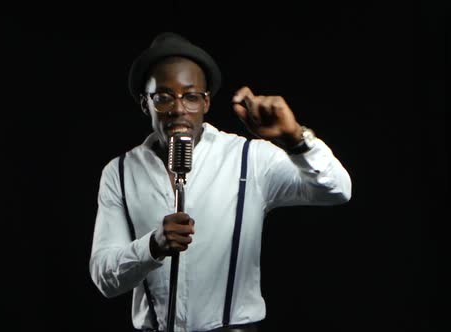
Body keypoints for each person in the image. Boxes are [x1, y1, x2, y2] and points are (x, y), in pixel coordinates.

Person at [89, 32, 352, 332]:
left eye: (190, 96)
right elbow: (104, 277)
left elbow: (338, 190)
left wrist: (294, 138)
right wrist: (152, 245)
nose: (178, 109)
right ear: (144, 103)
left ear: (206, 102)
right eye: (163, 98)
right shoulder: (120, 172)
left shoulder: (248, 158)